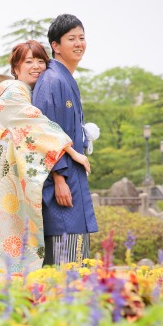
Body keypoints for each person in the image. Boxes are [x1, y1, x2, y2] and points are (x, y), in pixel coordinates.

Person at [0, 40, 90, 274]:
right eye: (29, 61)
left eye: (41, 61)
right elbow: (33, 121)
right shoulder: (16, 90)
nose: (36, 66)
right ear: (16, 68)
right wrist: (71, 150)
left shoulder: (26, 92)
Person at [31, 14, 98, 265]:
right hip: (60, 181)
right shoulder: (51, 80)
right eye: (71, 39)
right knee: (64, 257)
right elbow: (44, 131)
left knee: (76, 255)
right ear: (56, 46)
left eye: (82, 37)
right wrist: (59, 178)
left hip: (72, 179)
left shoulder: (64, 79)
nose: (79, 43)